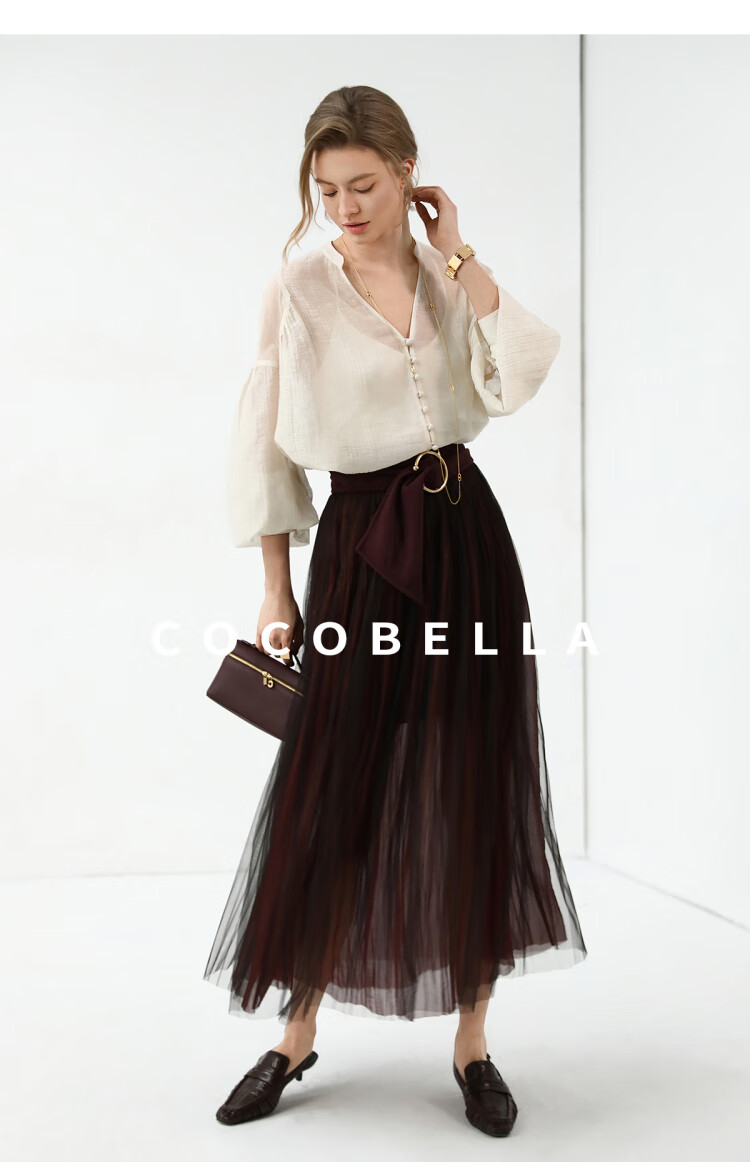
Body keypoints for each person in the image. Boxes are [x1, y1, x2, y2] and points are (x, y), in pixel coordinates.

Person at [203, 84, 587, 1138]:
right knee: (338, 786)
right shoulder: (298, 287)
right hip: (363, 550)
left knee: (476, 773)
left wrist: (458, 254)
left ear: (408, 172)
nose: (346, 207)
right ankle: (295, 1034)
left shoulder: (445, 274)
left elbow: (520, 371)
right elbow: (265, 443)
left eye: (364, 185)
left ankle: (473, 1041)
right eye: (327, 190)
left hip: (467, 540)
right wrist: (276, 588)